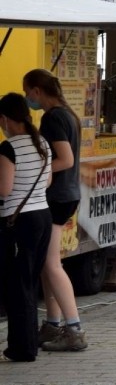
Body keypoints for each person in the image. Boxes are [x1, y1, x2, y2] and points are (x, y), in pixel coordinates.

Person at [22, 69, 87, 351]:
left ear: (36, 90)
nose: (27, 98)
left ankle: (74, 330)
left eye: (27, 92)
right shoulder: (67, 114)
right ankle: (52, 323)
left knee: (50, 264)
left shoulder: (53, 117)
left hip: (57, 196)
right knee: (48, 265)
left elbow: (66, 159)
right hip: (67, 194)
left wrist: (39, 172)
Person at [0, 93, 53, 362]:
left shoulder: (8, 148)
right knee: (29, 283)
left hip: (18, 222)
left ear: (6, 119)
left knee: (17, 286)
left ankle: (22, 348)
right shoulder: (41, 142)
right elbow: (46, 181)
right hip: (42, 216)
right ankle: (27, 344)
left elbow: (4, 189)